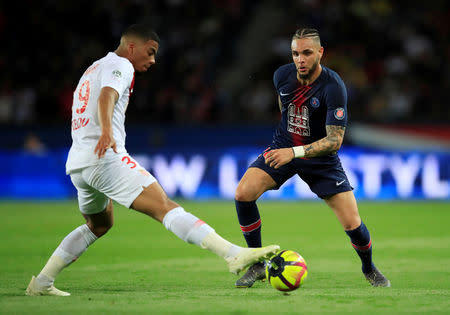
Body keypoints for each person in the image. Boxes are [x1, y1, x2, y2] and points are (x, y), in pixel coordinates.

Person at [25, 24, 279, 296]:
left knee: (99, 225)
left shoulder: (94, 68)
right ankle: (232, 254)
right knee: (165, 207)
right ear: (132, 46)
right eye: (150, 52)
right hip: (105, 158)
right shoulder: (121, 65)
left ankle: (42, 282)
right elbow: (107, 95)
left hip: (79, 162)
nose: (153, 60)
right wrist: (108, 132)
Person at [233, 28, 390, 288]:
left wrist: (294, 152)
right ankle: (258, 264)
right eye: (295, 53)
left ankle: (369, 268)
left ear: (320, 53)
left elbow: (335, 141)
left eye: (306, 53)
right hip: (283, 147)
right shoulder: (281, 76)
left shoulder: (333, 87)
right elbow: (285, 111)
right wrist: (287, 146)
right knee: (243, 194)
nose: (300, 59)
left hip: (320, 160)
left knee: (352, 222)